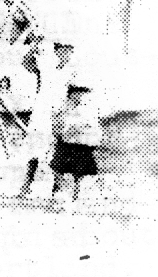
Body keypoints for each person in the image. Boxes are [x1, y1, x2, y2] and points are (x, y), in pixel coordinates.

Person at [19, 37, 76, 198]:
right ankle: (27, 185)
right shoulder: (47, 65)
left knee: (57, 148)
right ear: (57, 51)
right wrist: (34, 47)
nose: (66, 54)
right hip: (41, 110)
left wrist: (66, 112)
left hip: (59, 111)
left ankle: (57, 187)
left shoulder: (71, 71)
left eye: (69, 51)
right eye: (63, 50)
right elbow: (26, 63)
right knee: (34, 146)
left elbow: (73, 93)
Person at [51, 78, 102, 203]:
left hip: (82, 144)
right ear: (70, 94)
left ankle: (75, 193)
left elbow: (93, 127)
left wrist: (91, 138)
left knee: (79, 171)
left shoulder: (88, 109)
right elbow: (57, 124)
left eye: (82, 94)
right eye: (76, 94)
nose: (79, 97)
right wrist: (60, 133)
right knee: (59, 168)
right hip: (66, 143)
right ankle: (59, 192)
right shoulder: (64, 108)